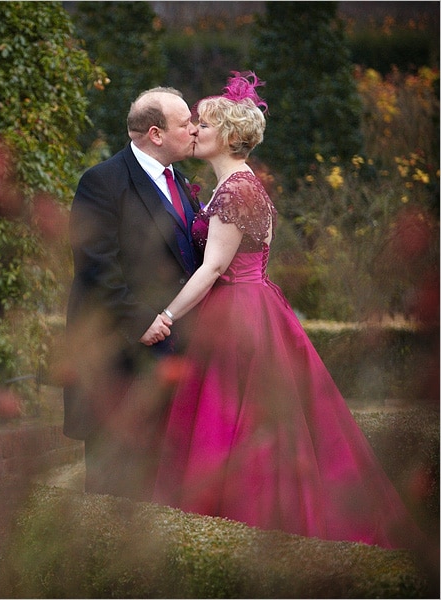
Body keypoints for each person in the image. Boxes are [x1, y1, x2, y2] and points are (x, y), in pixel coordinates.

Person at [145, 71, 420, 549]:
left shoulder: (236, 192)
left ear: (228, 135)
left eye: (203, 125)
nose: (194, 131)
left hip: (239, 314)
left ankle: (242, 527)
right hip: (249, 308)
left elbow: (212, 270)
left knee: (236, 422)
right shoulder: (232, 187)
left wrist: (164, 317)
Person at [62, 87, 202, 500]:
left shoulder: (181, 180)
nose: (194, 129)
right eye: (185, 124)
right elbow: (94, 262)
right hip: (117, 357)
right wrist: (138, 319)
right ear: (156, 134)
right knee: (114, 485)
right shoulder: (102, 181)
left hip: (170, 356)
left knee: (164, 482)